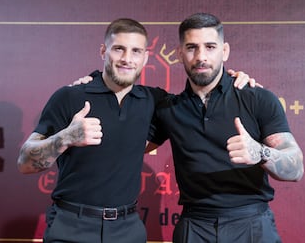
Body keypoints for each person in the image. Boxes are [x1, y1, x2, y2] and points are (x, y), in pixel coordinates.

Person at [17, 18, 254, 243]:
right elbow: (25, 162)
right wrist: (65, 137)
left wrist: (235, 80)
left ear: (145, 57)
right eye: (118, 49)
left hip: (127, 228)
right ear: (103, 51)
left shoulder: (155, 101)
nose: (126, 59)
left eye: (136, 51)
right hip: (71, 224)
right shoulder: (69, 97)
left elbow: (203, 93)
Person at [146, 13, 304, 243]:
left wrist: (259, 152)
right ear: (179, 54)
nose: (201, 57)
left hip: (251, 224)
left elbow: (296, 168)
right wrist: (93, 85)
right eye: (192, 47)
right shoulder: (169, 109)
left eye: (210, 47)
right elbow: (129, 146)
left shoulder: (257, 98)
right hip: (194, 225)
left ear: (225, 51)